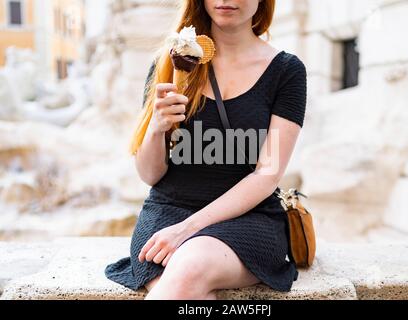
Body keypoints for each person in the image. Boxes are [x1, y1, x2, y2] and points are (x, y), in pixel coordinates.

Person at [105, 0, 307, 300]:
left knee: (189, 268)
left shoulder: (286, 71)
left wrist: (187, 230)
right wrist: (157, 127)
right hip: (167, 212)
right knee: (185, 287)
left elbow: (267, 175)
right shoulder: (171, 61)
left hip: (250, 218)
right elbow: (150, 175)